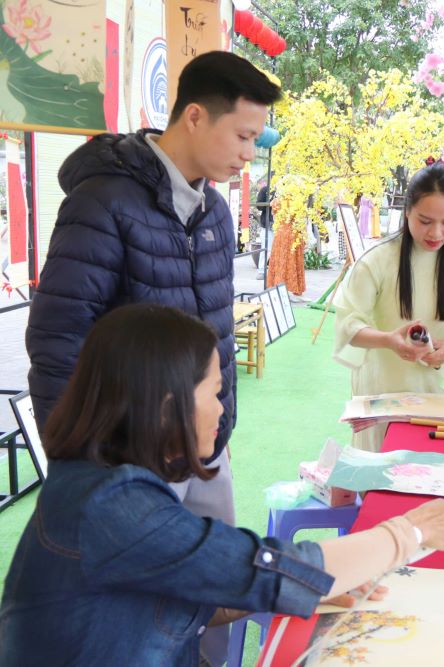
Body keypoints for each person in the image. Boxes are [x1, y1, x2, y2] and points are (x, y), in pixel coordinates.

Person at [0, 304, 444, 666]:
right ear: (165, 403)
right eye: (213, 392)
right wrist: (410, 531)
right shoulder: (112, 505)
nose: (221, 409)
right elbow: (258, 566)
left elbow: (185, 587)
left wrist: (313, 592)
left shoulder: (102, 480)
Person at [24, 50, 282, 665]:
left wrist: (218, 429)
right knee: (137, 619)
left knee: (214, 592)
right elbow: (59, 339)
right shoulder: (104, 203)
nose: (250, 153)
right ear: (195, 116)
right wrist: (82, 467)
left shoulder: (216, 213)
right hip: (125, 461)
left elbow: (215, 336)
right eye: (243, 135)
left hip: (203, 448)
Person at [333, 162, 444, 451]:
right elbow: (349, 324)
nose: (436, 232)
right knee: (381, 473)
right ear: (407, 210)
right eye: (425, 221)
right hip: (384, 388)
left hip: (443, 389)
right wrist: (389, 340)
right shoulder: (377, 260)